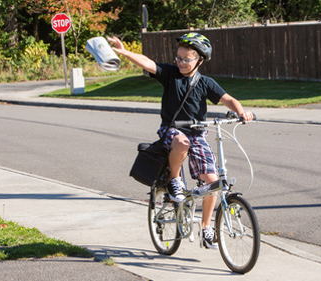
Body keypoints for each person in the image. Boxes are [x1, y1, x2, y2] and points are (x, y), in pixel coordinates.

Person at [108, 33, 253, 249]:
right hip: (172, 131)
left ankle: (206, 228)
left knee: (213, 182)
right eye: (178, 58)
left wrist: (242, 112)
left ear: (199, 60)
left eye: (186, 59)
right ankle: (175, 180)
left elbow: (228, 99)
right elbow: (148, 63)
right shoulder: (170, 75)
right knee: (182, 142)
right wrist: (123, 51)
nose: (180, 62)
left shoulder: (206, 83)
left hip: (197, 133)